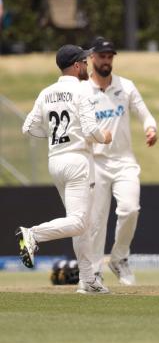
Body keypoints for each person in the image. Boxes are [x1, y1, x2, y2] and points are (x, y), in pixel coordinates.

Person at [19, 44, 112, 294]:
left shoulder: (46, 92)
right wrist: (105, 137)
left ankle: (88, 280)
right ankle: (33, 234)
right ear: (77, 66)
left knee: (79, 220)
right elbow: (92, 130)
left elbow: (28, 127)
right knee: (81, 223)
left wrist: (52, 135)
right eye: (84, 61)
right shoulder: (82, 91)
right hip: (78, 160)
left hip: (56, 161)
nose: (87, 66)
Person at [81, 37, 157, 286]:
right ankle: (93, 272)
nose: (106, 61)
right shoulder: (82, 91)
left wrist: (150, 128)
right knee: (96, 220)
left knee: (130, 209)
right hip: (96, 162)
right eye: (102, 56)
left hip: (124, 161)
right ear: (92, 58)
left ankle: (119, 258)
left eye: (110, 56)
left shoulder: (126, 86)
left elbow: (145, 114)